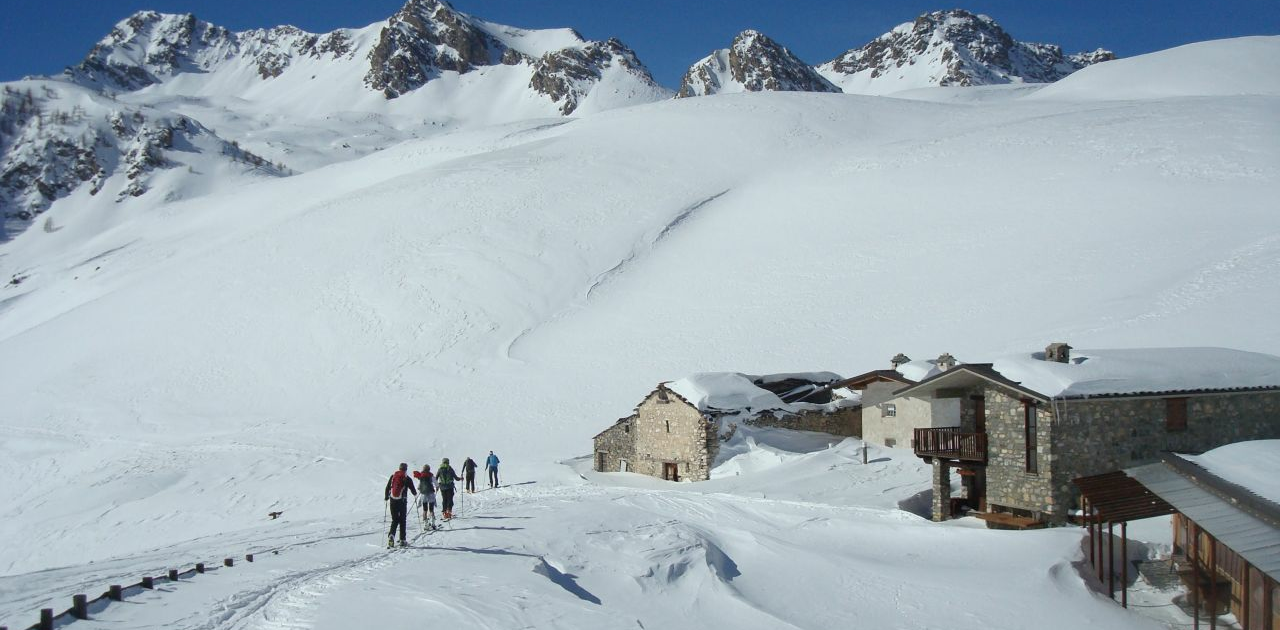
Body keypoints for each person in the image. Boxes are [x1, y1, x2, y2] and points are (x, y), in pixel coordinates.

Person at [384, 462, 418, 548]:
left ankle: (391, 535)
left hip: (392, 501)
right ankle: (402, 540)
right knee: (402, 520)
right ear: (406, 469)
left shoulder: (393, 476)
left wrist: (386, 497)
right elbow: (413, 490)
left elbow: (387, 487)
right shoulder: (407, 478)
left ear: (399, 468)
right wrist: (415, 494)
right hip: (402, 502)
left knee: (394, 520)